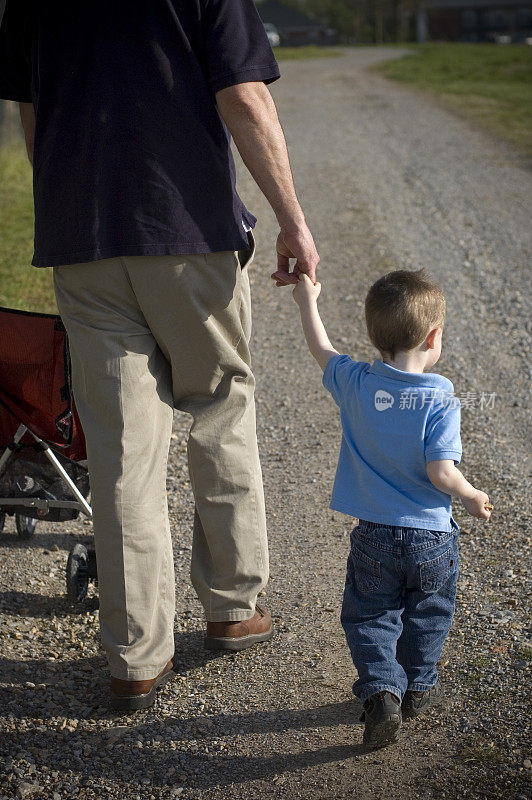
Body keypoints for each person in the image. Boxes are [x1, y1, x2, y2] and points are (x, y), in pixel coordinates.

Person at [0, 0, 319, 712]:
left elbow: (31, 114)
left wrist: (71, 199)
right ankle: (235, 608)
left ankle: (136, 658)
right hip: (189, 233)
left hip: (81, 239)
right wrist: (294, 221)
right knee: (219, 406)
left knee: (120, 453)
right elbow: (243, 96)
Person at [292, 268, 492, 750]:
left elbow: (321, 349)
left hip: (375, 537)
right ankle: (419, 686)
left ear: (373, 335)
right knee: (429, 614)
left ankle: (383, 691)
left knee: (369, 617)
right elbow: (441, 472)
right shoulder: (441, 397)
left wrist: (307, 299)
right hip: (432, 538)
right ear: (434, 336)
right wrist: (469, 494)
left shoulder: (357, 382)